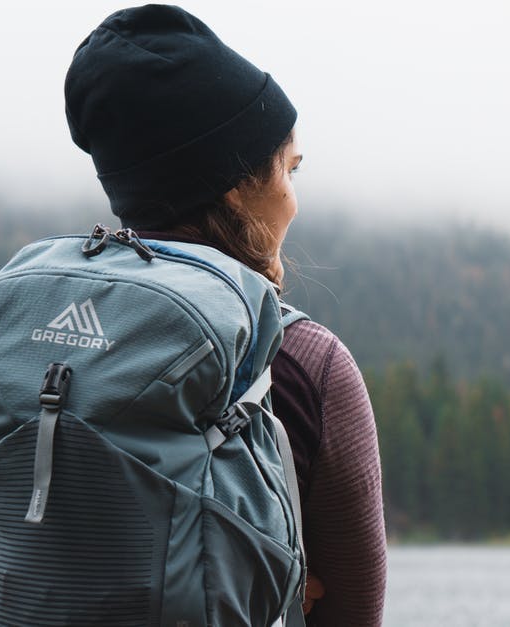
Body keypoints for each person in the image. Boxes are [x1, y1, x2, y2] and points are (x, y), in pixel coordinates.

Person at [63, 5, 387, 625]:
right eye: (289, 169)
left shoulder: (14, 331)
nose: (295, 199)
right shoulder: (304, 363)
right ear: (237, 184)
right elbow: (354, 609)